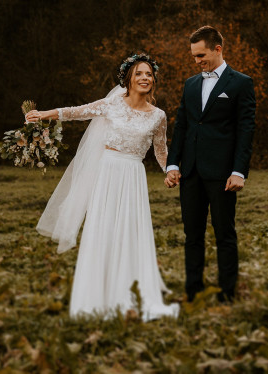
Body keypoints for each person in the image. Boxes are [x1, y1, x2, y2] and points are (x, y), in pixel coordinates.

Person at [25, 54, 179, 321]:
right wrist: (44, 115)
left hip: (133, 175)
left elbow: (161, 151)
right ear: (128, 79)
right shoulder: (112, 104)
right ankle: (97, 294)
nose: (145, 78)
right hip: (107, 173)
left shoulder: (158, 116)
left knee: (130, 231)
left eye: (149, 74)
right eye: (139, 73)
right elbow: (77, 112)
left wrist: (171, 170)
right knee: (103, 229)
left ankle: (130, 293)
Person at [164, 26, 256, 303]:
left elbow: (246, 130)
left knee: (224, 234)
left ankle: (227, 295)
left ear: (218, 49)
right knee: (192, 235)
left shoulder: (241, 83)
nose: (197, 61)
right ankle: (193, 293)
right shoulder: (191, 84)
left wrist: (239, 171)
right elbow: (181, 126)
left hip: (223, 174)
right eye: (194, 56)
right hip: (191, 172)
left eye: (201, 55)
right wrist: (172, 164)